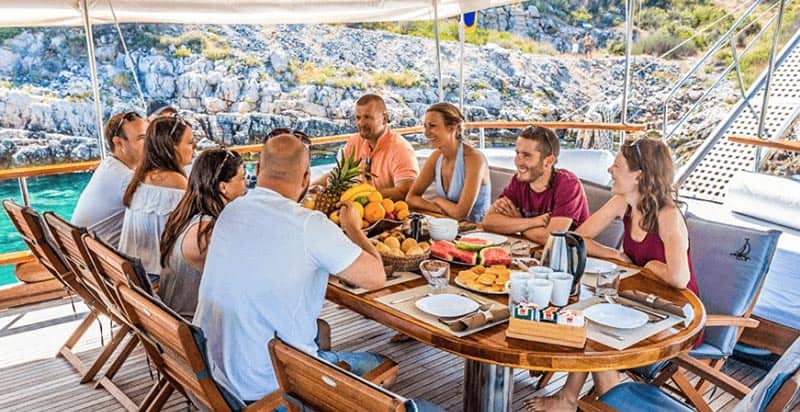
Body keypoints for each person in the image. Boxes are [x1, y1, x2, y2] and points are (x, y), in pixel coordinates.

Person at [193, 134, 389, 403]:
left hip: (218, 381)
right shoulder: (310, 225)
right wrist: (353, 227)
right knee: (382, 366)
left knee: (317, 333)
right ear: (306, 177)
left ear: (258, 170)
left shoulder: (231, 211)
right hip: (270, 390)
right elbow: (376, 277)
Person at [525, 137, 702, 412]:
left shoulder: (668, 215)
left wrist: (650, 266)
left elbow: (679, 278)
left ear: (638, 176)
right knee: (586, 315)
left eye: (617, 165)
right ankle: (573, 398)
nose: (610, 170)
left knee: (595, 324)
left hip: (672, 314)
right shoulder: (624, 202)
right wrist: (615, 255)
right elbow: (579, 236)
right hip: (636, 300)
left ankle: (580, 398)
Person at [158, 149, 247, 320]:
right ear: (223, 187)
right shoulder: (207, 234)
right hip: (194, 326)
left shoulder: (185, 216)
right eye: (242, 178)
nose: (246, 184)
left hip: (173, 319)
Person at [482, 126, 589, 245]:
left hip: (568, 258)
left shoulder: (568, 184)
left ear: (549, 161)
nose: (518, 162)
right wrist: (533, 222)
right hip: (531, 253)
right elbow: (488, 222)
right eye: (517, 153)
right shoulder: (519, 180)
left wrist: (517, 222)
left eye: (527, 155)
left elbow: (551, 239)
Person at [119, 115, 195, 276]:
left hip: (134, 274)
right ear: (173, 147)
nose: (194, 147)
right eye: (189, 142)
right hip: (156, 277)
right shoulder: (176, 181)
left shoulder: (142, 178)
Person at [313, 94, 419, 200]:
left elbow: (405, 191)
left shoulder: (401, 149)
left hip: (387, 212)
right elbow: (337, 174)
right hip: (355, 208)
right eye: (358, 117)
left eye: (367, 117)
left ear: (384, 118)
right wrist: (311, 186)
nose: (361, 123)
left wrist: (360, 195)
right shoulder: (354, 142)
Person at [71, 111, 147, 248]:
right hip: (103, 262)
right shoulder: (124, 178)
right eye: (142, 138)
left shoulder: (108, 166)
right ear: (118, 143)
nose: (149, 144)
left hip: (87, 257)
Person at [406, 102, 491, 222]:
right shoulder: (436, 157)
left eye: (432, 126)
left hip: (479, 231)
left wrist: (438, 200)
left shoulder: (474, 159)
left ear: (452, 128)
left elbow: (460, 213)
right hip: (447, 227)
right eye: (425, 126)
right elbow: (411, 198)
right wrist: (437, 208)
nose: (426, 133)